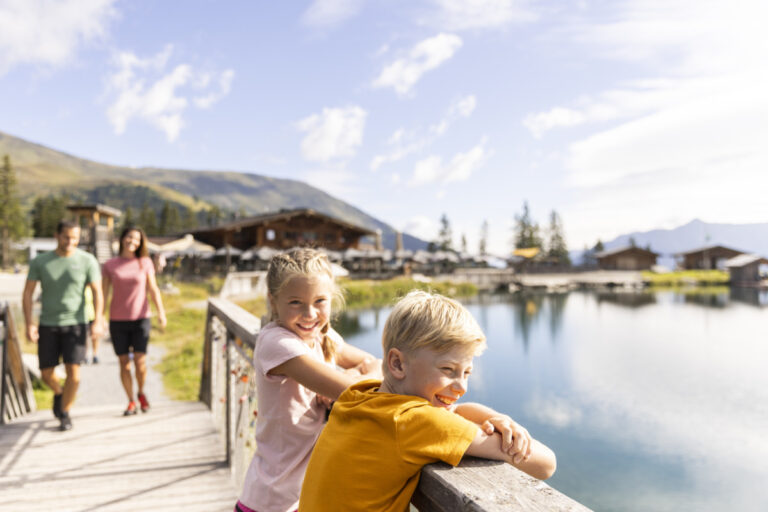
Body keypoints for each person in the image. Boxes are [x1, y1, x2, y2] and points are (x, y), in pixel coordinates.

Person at [298, 290, 557, 512]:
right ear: (397, 363)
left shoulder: (359, 396)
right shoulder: (414, 421)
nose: (462, 387)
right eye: (448, 370)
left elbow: (450, 412)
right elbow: (545, 464)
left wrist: (492, 419)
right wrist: (503, 422)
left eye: (466, 373)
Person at [236, 248, 382, 512]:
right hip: (273, 500)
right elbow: (355, 391)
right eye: (295, 303)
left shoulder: (321, 337)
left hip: (302, 497)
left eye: (320, 301)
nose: (310, 314)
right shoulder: (277, 343)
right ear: (273, 300)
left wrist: (348, 373)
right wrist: (348, 379)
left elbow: (376, 363)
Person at [22, 220, 104, 431]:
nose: (71, 242)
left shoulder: (87, 261)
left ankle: (65, 413)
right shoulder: (41, 262)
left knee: (74, 374)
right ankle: (59, 394)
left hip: (76, 324)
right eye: (67, 237)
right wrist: (29, 324)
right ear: (56, 236)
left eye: (75, 238)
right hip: (48, 324)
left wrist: (98, 320)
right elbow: (28, 293)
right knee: (46, 373)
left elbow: (97, 292)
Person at [102, 226, 167, 416]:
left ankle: (140, 392)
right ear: (122, 239)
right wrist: (99, 318)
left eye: (137, 239)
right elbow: (104, 293)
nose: (133, 242)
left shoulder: (145, 262)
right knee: (124, 363)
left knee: (140, 362)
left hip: (141, 318)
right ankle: (131, 400)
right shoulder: (110, 265)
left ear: (141, 243)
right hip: (117, 320)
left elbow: (153, 289)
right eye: (130, 237)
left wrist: (161, 312)